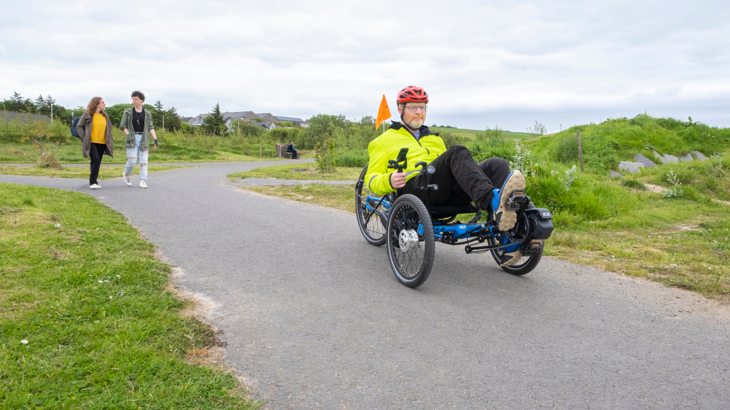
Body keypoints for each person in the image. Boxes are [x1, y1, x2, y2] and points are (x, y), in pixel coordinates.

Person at [365, 86, 527, 266]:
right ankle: (495, 201)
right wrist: (389, 180)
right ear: (400, 110)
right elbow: (371, 178)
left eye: (422, 107)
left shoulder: (435, 139)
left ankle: (505, 232)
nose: (419, 112)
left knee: (498, 164)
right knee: (456, 151)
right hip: (415, 189)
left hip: (443, 191)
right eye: (413, 107)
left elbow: (448, 170)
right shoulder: (382, 141)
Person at [120, 91, 158, 189]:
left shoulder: (147, 114)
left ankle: (142, 180)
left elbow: (150, 127)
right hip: (132, 138)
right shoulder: (128, 112)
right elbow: (123, 125)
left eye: (136, 99)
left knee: (144, 161)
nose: (134, 101)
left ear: (142, 100)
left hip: (144, 138)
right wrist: (128, 135)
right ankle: (127, 174)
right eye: (133, 99)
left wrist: (155, 139)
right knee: (132, 160)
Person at [76, 97, 114, 190]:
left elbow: (109, 128)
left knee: (97, 162)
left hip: (102, 142)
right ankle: (93, 182)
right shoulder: (88, 114)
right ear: (97, 104)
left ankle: (94, 181)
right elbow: (79, 126)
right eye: (102, 103)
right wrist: (83, 138)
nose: (104, 104)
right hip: (91, 142)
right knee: (95, 159)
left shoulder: (105, 116)